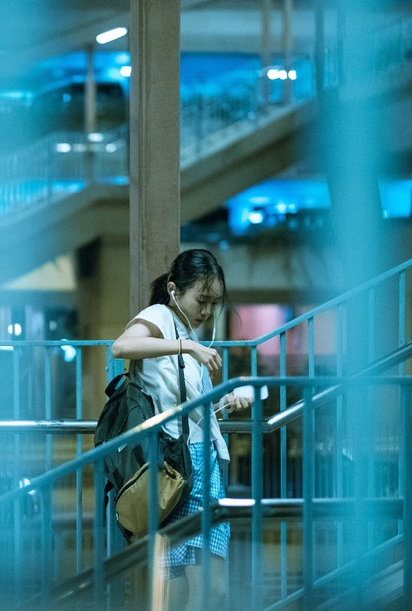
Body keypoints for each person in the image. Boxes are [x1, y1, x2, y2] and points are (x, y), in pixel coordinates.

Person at [111, 248, 252, 610]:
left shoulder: (189, 337)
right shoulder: (162, 317)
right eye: (201, 300)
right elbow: (121, 346)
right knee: (210, 589)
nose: (207, 311)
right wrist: (187, 346)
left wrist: (227, 398)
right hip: (183, 468)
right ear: (174, 290)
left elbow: (194, 413)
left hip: (186, 466)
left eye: (214, 303)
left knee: (176, 594)